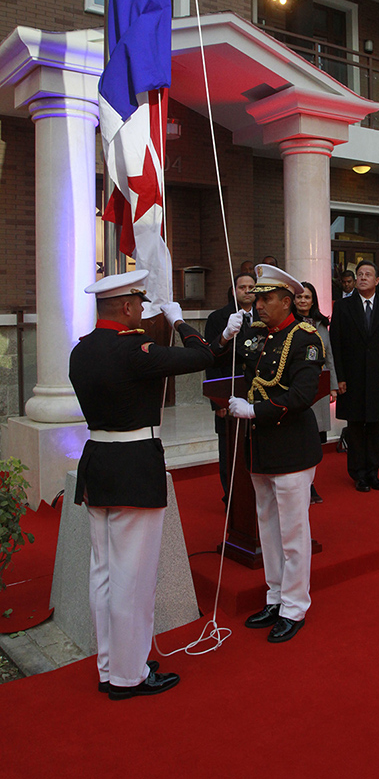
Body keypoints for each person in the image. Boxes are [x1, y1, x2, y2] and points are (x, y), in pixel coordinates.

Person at [69, 271, 216, 699]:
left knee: (104, 574)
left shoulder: (82, 351)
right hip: (134, 466)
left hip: (98, 465)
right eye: (140, 304)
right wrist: (178, 320)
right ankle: (128, 676)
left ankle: (110, 664)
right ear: (130, 308)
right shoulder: (136, 350)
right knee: (133, 579)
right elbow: (202, 355)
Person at [228, 264, 324, 643]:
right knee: (267, 527)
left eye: (267, 298)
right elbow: (235, 370)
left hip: (291, 449)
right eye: (258, 297)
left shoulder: (305, 338)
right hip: (262, 448)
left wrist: (255, 410)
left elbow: (301, 395)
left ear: (287, 301)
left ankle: (295, 605)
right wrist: (225, 336)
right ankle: (275, 595)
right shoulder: (258, 336)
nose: (259, 303)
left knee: (293, 531)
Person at [330, 259, 379, 491]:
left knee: (374, 427)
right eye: (359, 274)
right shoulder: (342, 306)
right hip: (352, 378)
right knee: (356, 426)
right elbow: (336, 345)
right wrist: (338, 377)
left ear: (377, 280)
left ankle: (373, 473)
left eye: (367, 274)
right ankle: (358, 474)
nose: (362, 278)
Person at [204, 272, 256, 503]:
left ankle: (254, 495)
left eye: (251, 287)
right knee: (229, 450)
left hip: (256, 394)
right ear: (234, 291)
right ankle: (232, 497)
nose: (247, 291)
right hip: (229, 392)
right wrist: (218, 400)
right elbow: (211, 360)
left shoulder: (263, 316)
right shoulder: (218, 318)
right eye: (242, 287)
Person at [295, 281, 338, 503]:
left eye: (307, 297)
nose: (303, 301)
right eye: (299, 297)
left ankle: (310, 485)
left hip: (317, 387)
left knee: (314, 440)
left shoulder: (321, 323)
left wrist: (332, 385)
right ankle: (299, 485)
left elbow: (328, 354)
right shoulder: (288, 322)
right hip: (295, 387)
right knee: (298, 438)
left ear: (313, 301)